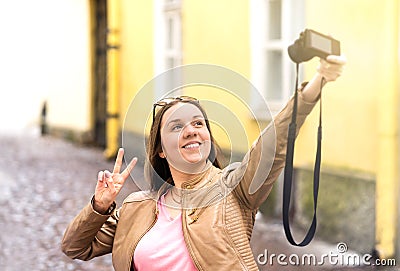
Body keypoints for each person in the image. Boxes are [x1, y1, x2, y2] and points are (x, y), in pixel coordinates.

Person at [61, 55, 346, 270]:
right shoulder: (136, 207)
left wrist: (315, 86)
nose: (191, 130)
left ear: (208, 137)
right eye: (176, 126)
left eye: (198, 123)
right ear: (160, 150)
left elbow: (272, 144)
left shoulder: (234, 189)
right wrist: (99, 206)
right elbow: (75, 247)